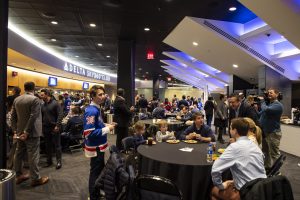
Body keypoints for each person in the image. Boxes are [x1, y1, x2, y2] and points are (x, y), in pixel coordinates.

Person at [211, 118, 266, 200]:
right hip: (262, 189)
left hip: (246, 193)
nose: (229, 130)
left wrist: (221, 186)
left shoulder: (234, 146)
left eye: (230, 128)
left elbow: (215, 170)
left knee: (214, 190)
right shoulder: (254, 144)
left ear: (235, 131)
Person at [11, 82, 49, 186]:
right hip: (32, 133)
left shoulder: (17, 99)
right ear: (34, 89)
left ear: (24, 88)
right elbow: (34, 116)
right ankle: (36, 179)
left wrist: (15, 131)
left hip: (19, 131)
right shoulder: (35, 99)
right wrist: (26, 132)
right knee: (33, 155)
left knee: (18, 153)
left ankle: (18, 176)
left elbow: (12, 117)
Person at [83, 85, 115, 200]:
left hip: (99, 147)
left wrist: (107, 125)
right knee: (95, 173)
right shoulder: (91, 111)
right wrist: (108, 129)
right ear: (92, 96)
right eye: (99, 95)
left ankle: (96, 193)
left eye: (103, 94)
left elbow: (97, 125)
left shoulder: (96, 108)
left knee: (99, 172)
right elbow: (89, 133)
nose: (103, 97)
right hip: (96, 147)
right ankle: (93, 196)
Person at [259, 88, 283, 170]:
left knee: (274, 154)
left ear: (276, 94)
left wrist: (262, 101)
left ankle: (277, 172)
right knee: (265, 151)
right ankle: (267, 167)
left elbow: (266, 110)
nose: (269, 94)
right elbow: (261, 113)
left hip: (273, 133)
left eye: (271, 93)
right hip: (265, 132)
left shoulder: (278, 105)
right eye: (268, 93)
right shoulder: (269, 104)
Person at [40, 89, 63, 169]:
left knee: (57, 145)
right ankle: (49, 161)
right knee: (47, 145)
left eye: (42, 95)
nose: (41, 96)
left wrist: (57, 125)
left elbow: (60, 115)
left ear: (47, 95)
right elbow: (42, 117)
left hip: (54, 127)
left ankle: (59, 162)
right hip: (46, 128)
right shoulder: (42, 105)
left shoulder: (55, 103)